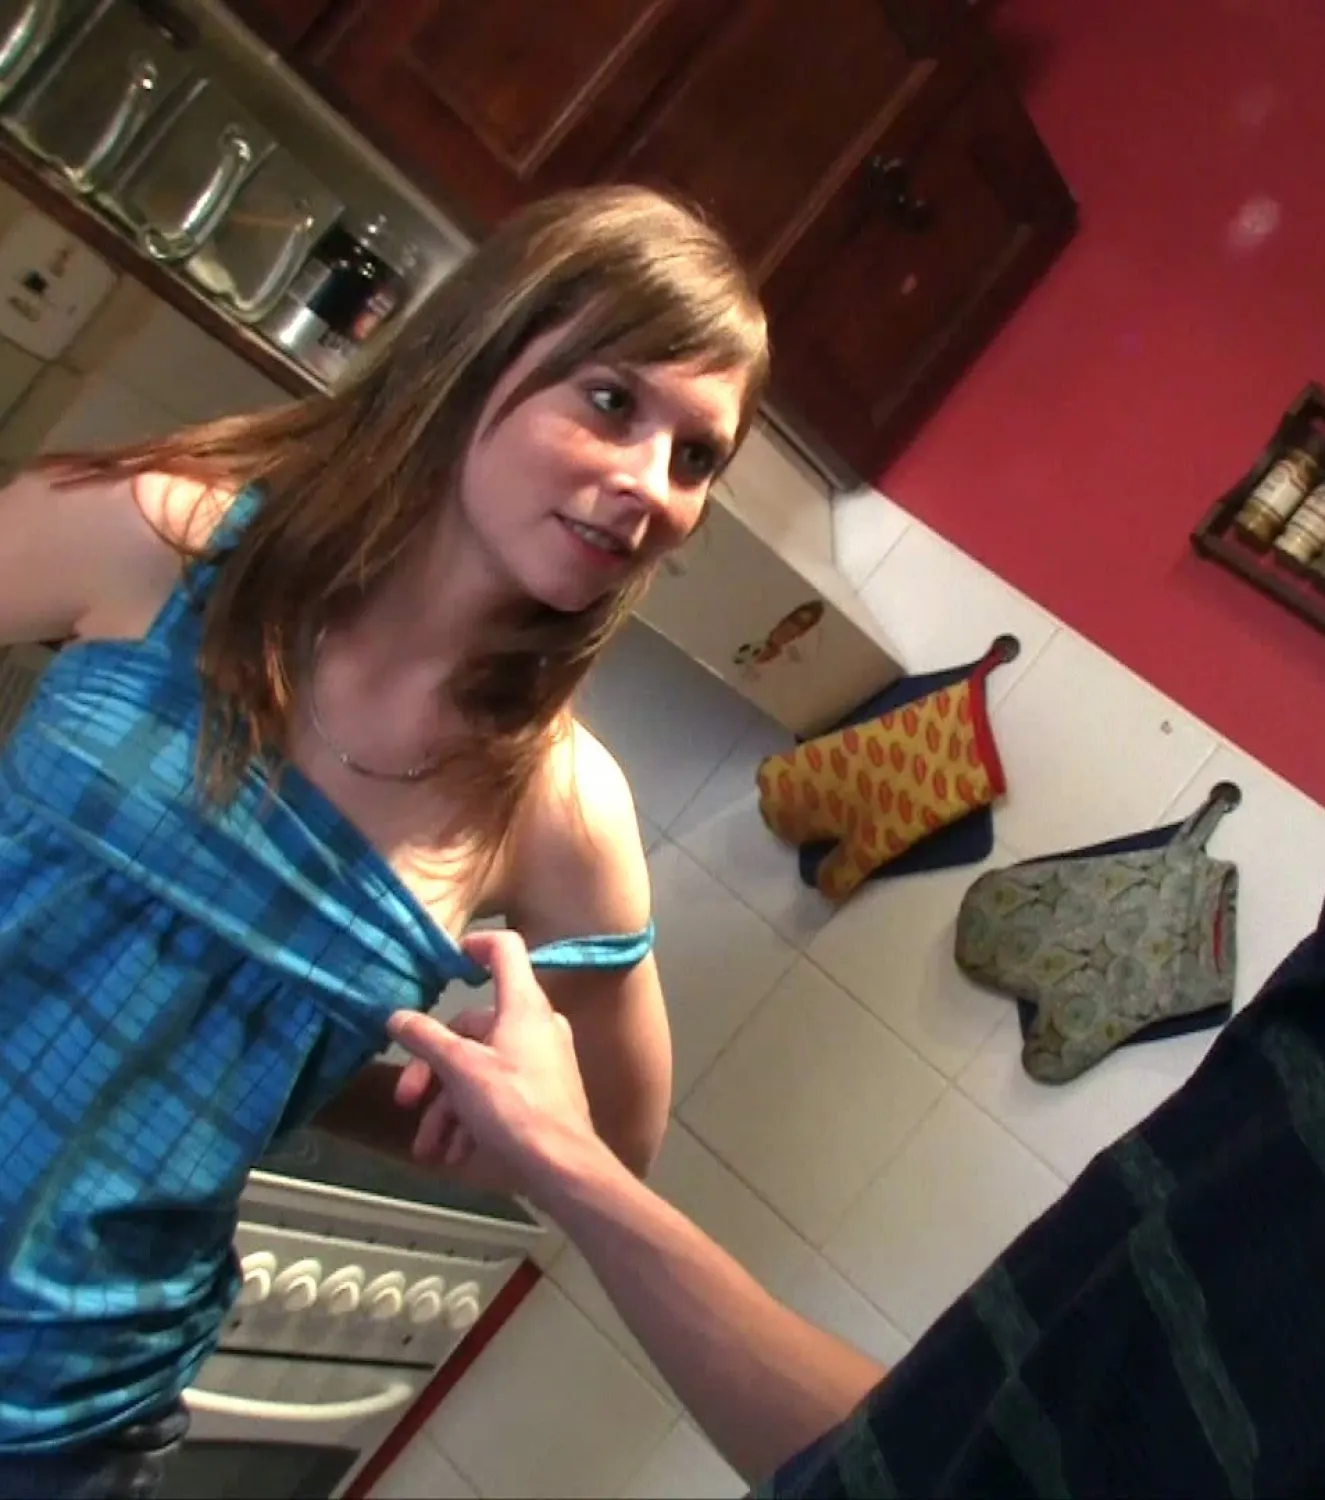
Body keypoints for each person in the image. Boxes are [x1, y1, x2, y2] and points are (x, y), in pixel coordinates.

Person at [387, 101, 1325, 1497]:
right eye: (609, 401)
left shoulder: (569, 811)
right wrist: (562, 1161)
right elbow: (947, 1460)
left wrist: (569, 1151)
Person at [0, 184, 768, 1495]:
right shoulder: (153, 539)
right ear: (479, 352)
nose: (652, 482)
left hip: (60, 1427)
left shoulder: (560, 810)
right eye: (611, 401)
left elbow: (608, 1150)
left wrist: (326, 1087)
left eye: (697, 458)